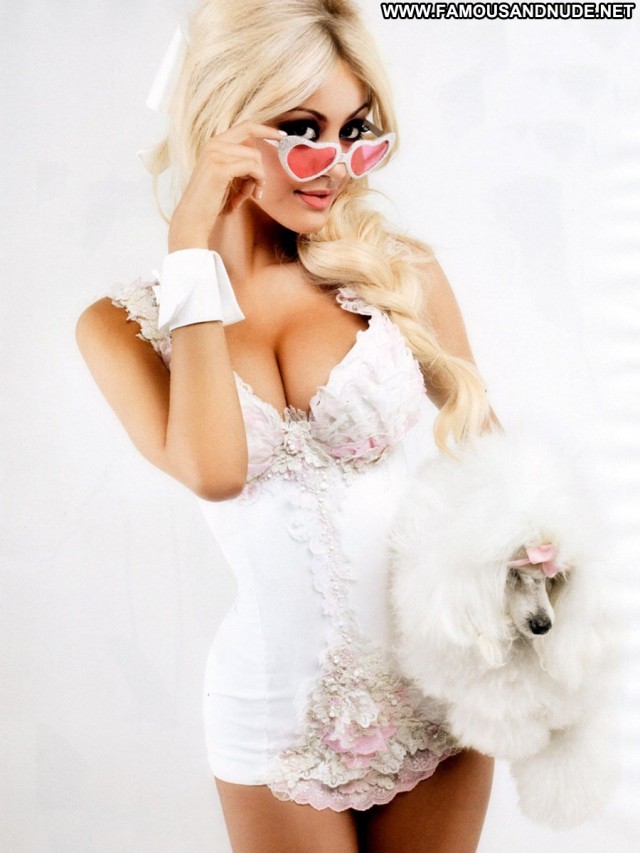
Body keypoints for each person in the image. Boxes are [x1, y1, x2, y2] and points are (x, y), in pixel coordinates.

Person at [76, 1, 499, 849]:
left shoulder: (397, 273)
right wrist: (191, 249)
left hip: (442, 688)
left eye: (356, 131)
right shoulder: (122, 326)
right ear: (223, 119)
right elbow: (216, 470)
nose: (335, 162)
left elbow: (497, 471)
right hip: (275, 717)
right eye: (303, 129)